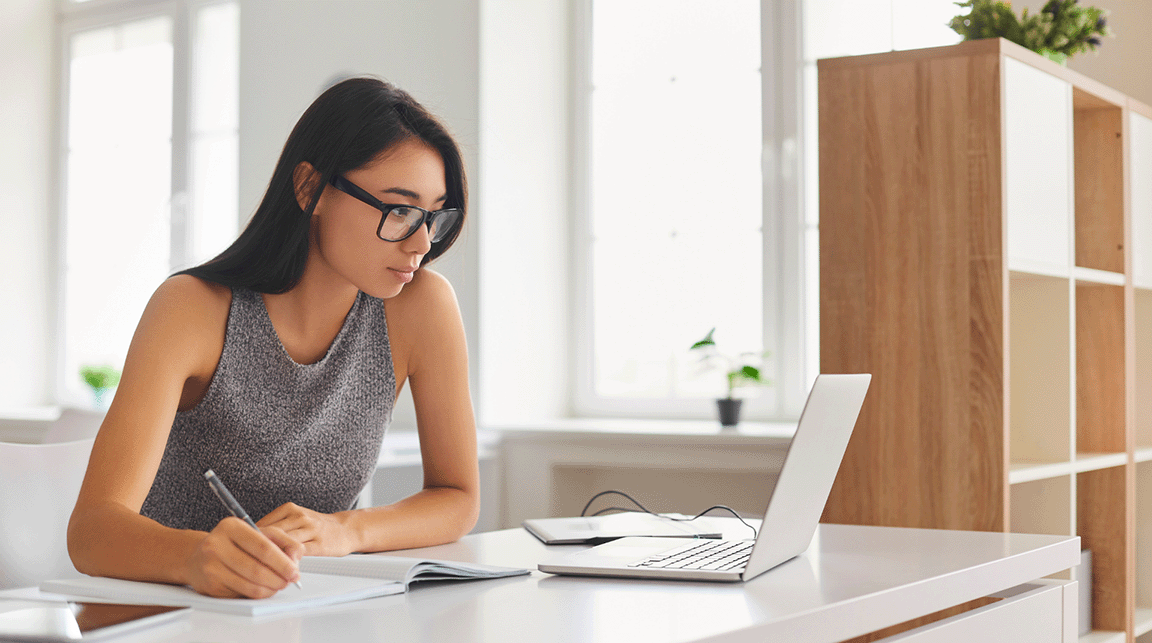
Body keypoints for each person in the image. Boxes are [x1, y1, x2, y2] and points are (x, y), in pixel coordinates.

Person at [67, 77, 479, 599]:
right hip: (165, 613)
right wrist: (196, 557)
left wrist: (345, 530)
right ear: (310, 188)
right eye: (398, 210)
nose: (421, 242)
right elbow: (91, 532)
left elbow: (457, 496)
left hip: (305, 610)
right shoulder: (192, 309)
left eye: (432, 216)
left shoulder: (421, 307)